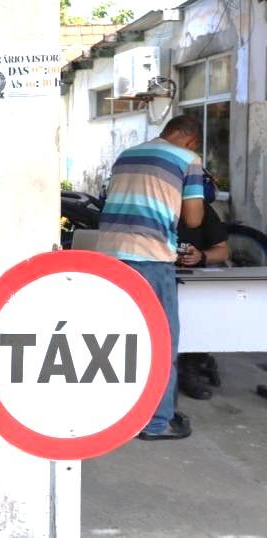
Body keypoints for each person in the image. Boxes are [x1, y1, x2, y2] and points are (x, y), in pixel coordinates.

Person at [96, 115, 205, 441]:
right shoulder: (189, 158)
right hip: (150, 258)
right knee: (160, 342)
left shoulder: (126, 154)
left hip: (109, 258)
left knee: (119, 339)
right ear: (190, 140)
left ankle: (117, 415)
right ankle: (157, 423)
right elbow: (194, 219)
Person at [176, 173, 230, 400]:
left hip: (195, 279)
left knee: (205, 310)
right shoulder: (158, 210)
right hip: (160, 275)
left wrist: (202, 256)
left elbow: (223, 251)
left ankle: (192, 366)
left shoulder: (205, 212)